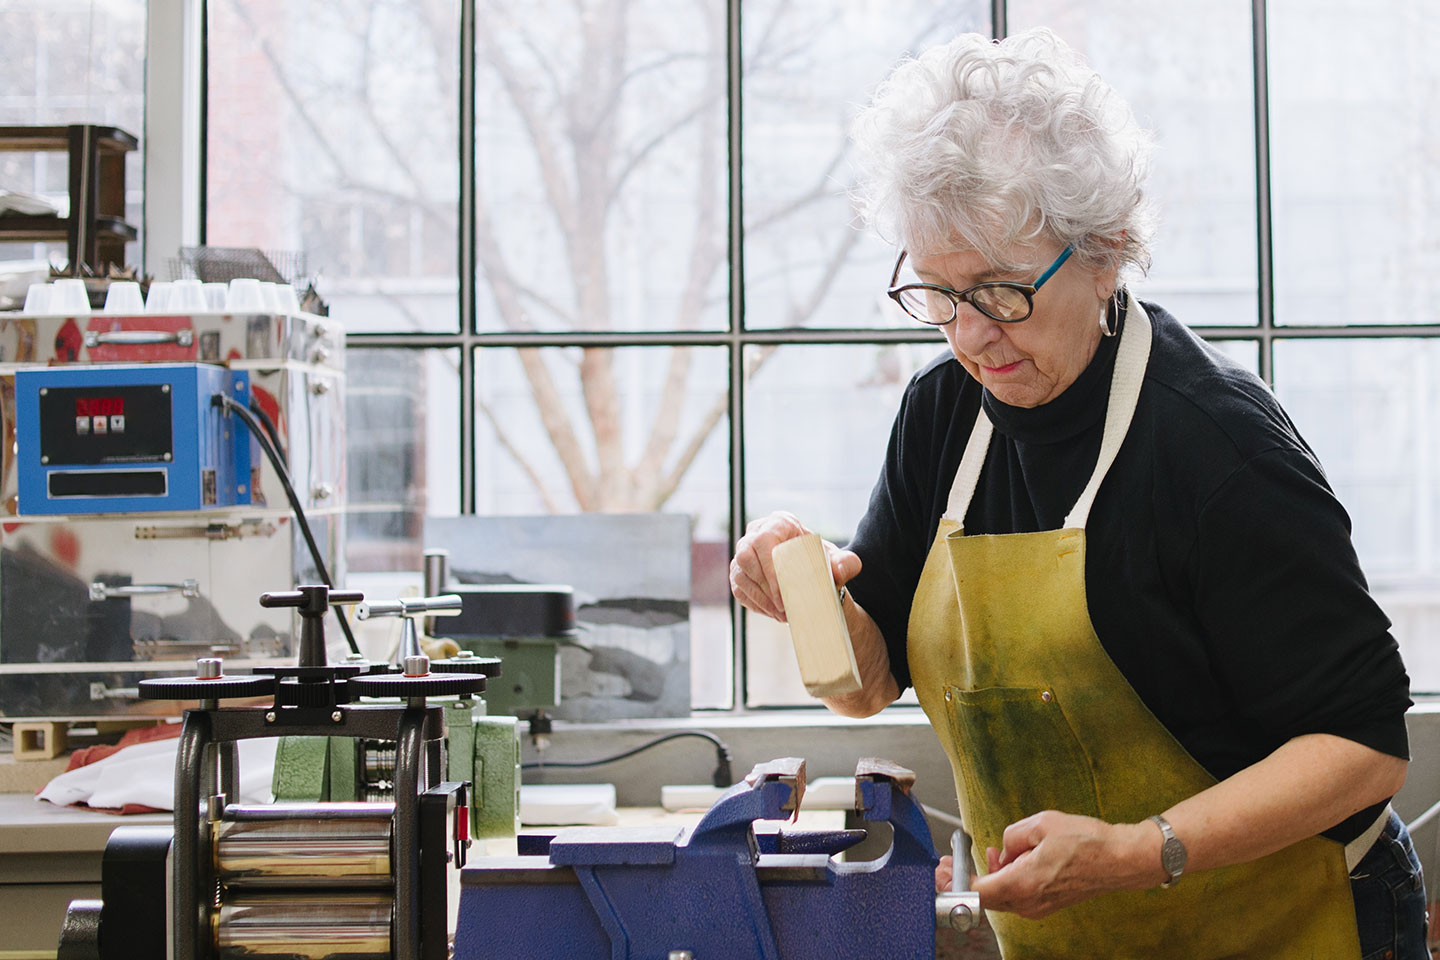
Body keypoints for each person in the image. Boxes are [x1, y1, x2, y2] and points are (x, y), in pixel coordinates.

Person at [729, 28, 1425, 959]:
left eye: (1003, 291)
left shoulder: (1215, 448)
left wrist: (1141, 851)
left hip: (1285, 923)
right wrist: (806, 586)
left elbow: (1365, 744)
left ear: (1105, 251)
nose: (972, 335)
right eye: (938, 294)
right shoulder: (943, 417)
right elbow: (873, 678)